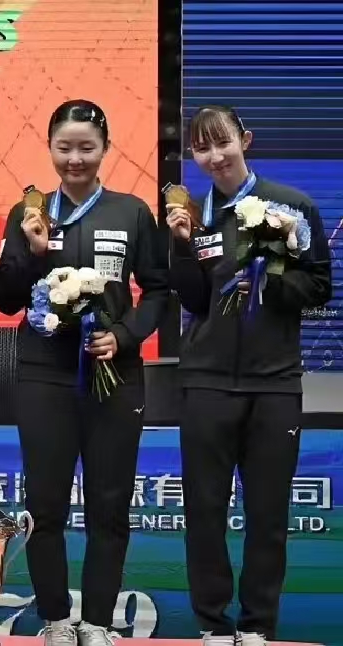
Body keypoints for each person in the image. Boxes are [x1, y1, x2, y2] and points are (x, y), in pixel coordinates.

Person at [0, 100, 168, 646]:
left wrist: (126, 335)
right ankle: (55, 621)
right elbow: (5, 298)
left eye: (86, 147)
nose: (75, 159)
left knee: (109, 508)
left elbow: (158, 290)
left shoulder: (131, 212)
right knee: (44, 506)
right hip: (43, 375)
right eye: (64, 147)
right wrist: (32, 252)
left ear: (105, 149)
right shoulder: (30, 213)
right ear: (49, 148)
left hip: (113, 375)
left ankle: (96, 622)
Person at [167, 105, 331, 646]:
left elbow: (320, 286)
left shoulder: (293, 206)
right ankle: (213, 626)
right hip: (206, 382)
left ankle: (259, 626)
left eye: (223, 143)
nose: (215, 156)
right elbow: (194, 300)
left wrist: (269, 278)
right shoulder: (193, 215)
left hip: (274, 383)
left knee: (267, 516)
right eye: (202, 148)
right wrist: (181, 245)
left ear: (246, 140)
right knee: (204, 513)